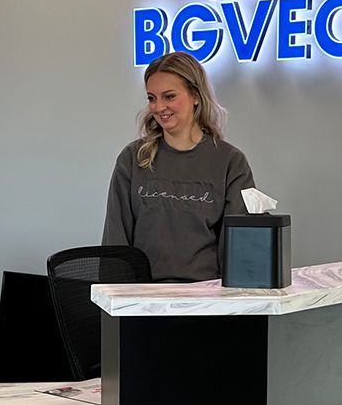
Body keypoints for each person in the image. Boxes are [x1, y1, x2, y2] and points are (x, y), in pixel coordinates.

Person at [102, 51, 256, 283]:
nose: (158, 107)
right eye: (152, 98)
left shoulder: (230, 162)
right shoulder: (133, 159)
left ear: (195, 95)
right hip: (142, 302)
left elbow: (239, 251)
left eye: (169, 96)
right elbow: (116, 241)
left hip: (207, 302)